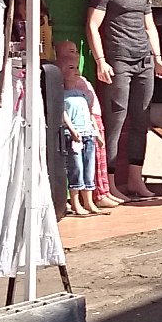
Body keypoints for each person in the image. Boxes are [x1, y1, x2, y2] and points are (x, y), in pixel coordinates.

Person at [85, 0, 162, 203]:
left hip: (144, 59)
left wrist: (157, 57)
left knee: (140, 121)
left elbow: (150, 26)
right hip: (118, 60)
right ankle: (107, 183)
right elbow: (92, 26)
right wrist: (101, 60)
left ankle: (136, 179)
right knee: (116, 121)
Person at [56, 40, 108, 217]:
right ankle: (76, 201)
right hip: (74, 136)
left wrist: (96, 134)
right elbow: (63, 114)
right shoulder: (62, 95)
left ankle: (89, 201)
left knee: (88, 168)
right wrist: (71, 130)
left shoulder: (83, 94)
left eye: (76, 68)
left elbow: (90, 114)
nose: (76, 71)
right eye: (70, 68)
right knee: (75, 168)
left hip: (88, 135)